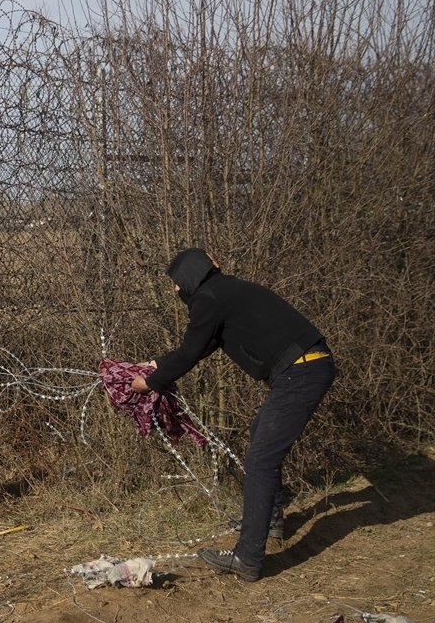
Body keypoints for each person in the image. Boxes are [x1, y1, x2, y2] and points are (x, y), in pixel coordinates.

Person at [129, 248, 335, 582]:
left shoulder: (209, 299)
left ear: (189, 278)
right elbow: (199, 346)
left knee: (261, 459)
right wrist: (159, 363)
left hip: (302, 371)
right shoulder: (225, 292)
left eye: (175, 283)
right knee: (261, 435)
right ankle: (271, 520)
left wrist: (149, 382)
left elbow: (191, 353)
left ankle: (248, 557)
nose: (174, 290)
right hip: (305, 367)